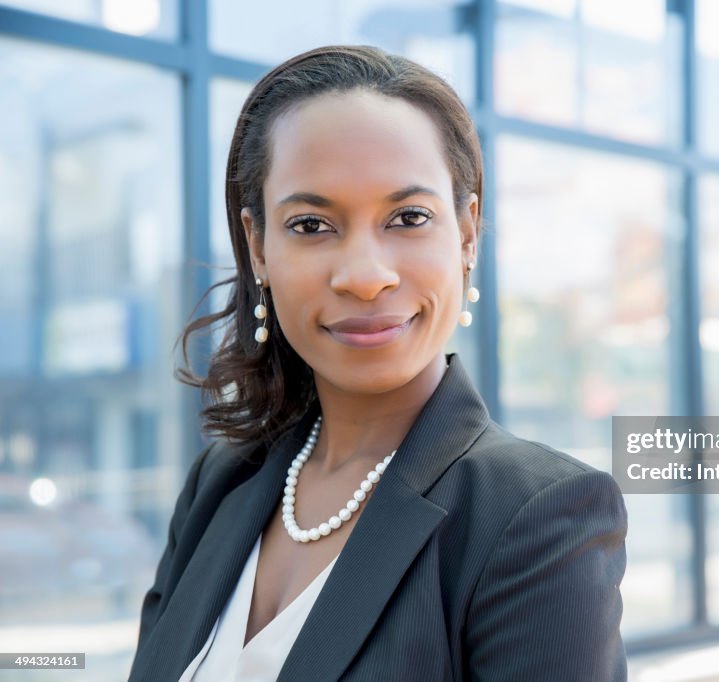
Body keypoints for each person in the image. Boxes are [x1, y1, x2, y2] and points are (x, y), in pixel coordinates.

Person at [128, 44, 628, 682]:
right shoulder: (222, 483)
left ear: (467, 233)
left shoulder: (536, 514)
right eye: (311, 225)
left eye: (408, 217)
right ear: (258, 248)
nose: (365, 277)